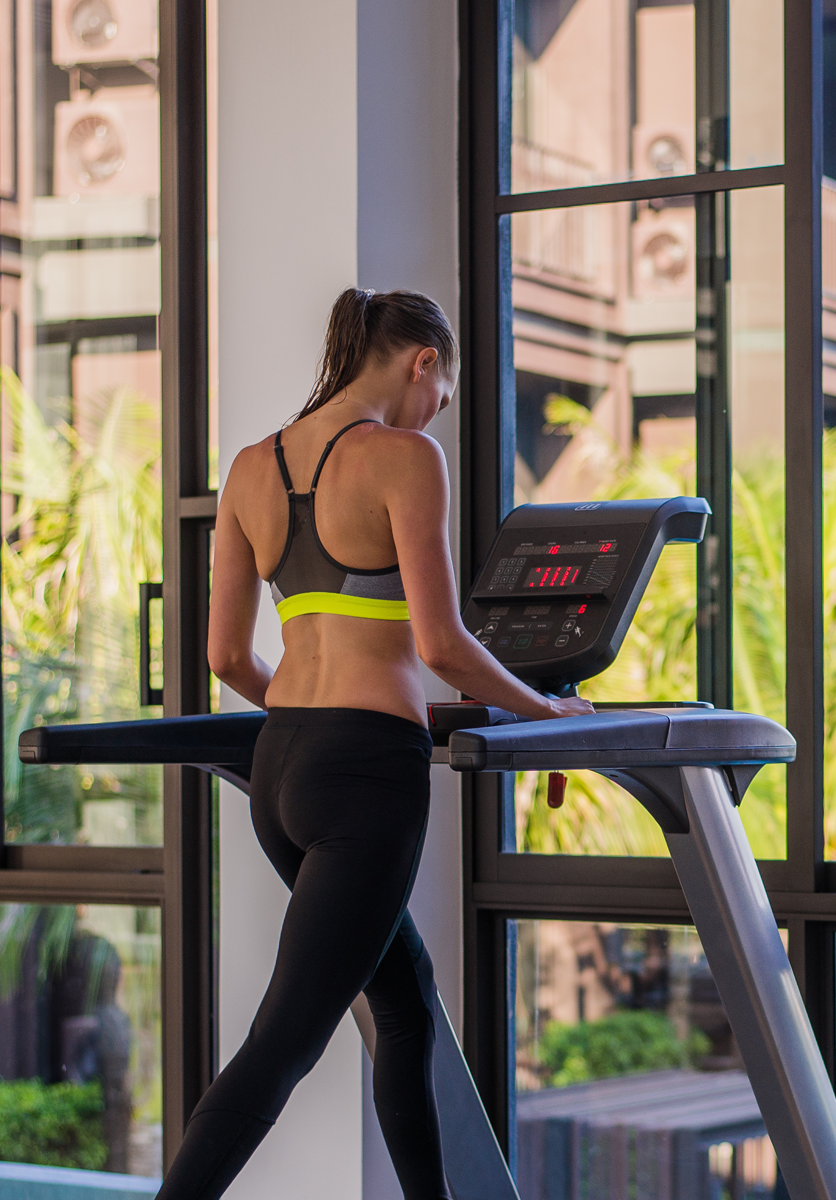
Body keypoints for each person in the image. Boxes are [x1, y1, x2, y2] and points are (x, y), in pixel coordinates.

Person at [158, 288, 592, 1199]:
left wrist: (316, 713)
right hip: (366, 779)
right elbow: (440, 647)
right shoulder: (406, 459)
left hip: (282, 768)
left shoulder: (249, 468)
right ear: (420, 363)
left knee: (402, 1003)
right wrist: (546, 713)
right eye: (441, 389)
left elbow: (225, 654)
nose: (436, 409)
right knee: (285, 1040)